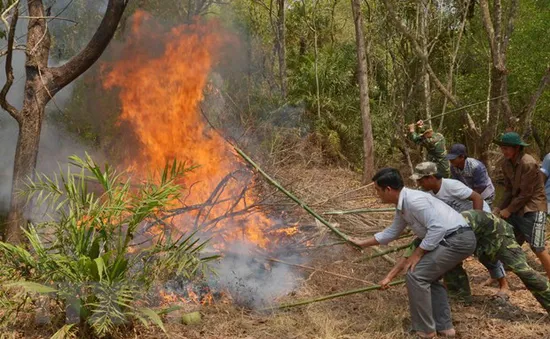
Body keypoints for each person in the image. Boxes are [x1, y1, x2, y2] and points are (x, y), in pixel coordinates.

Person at [349, 168, 476, 338]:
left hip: (457, 239)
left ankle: (425, 331)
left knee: (416, 276)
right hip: (450, 239)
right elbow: (392, 232)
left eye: (377, 190)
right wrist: (362, 243)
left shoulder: (415, 201)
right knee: (427, 278)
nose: (377, 194)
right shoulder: (403, 205)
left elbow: (437, 228)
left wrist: (418, 254)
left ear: (388, 189)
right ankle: (445, 328)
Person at [379, 210, 550, 315]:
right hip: (476, 239)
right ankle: (461, 296)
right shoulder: (425, 235)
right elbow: (407, 258)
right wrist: (388, 278)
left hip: (496, 233)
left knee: (522, 270)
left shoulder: (442, 227)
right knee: (446, 260)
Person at [411, 162, 508, 301]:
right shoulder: (428, 194)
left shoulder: (451, 186)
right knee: (449, 253)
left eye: (421, 180)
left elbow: (477, 198)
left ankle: (503, 284)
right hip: (457, 225)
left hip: (478, 220)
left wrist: (477, 221)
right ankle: (455, 288)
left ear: (431, 177)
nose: (420, 184)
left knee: (486, 253)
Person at [494, 132, 550, 279]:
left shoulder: (528, 163)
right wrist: (499, 207)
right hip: (517, 208)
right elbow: (508, 190)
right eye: (503, 148)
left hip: (533, 208)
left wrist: (508, 209)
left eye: (507, 148)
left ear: (517, 148)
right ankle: (499, 276)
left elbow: (526, 193)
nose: (504, 151)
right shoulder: (506, 164)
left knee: (537, 247)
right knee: (506, 242)